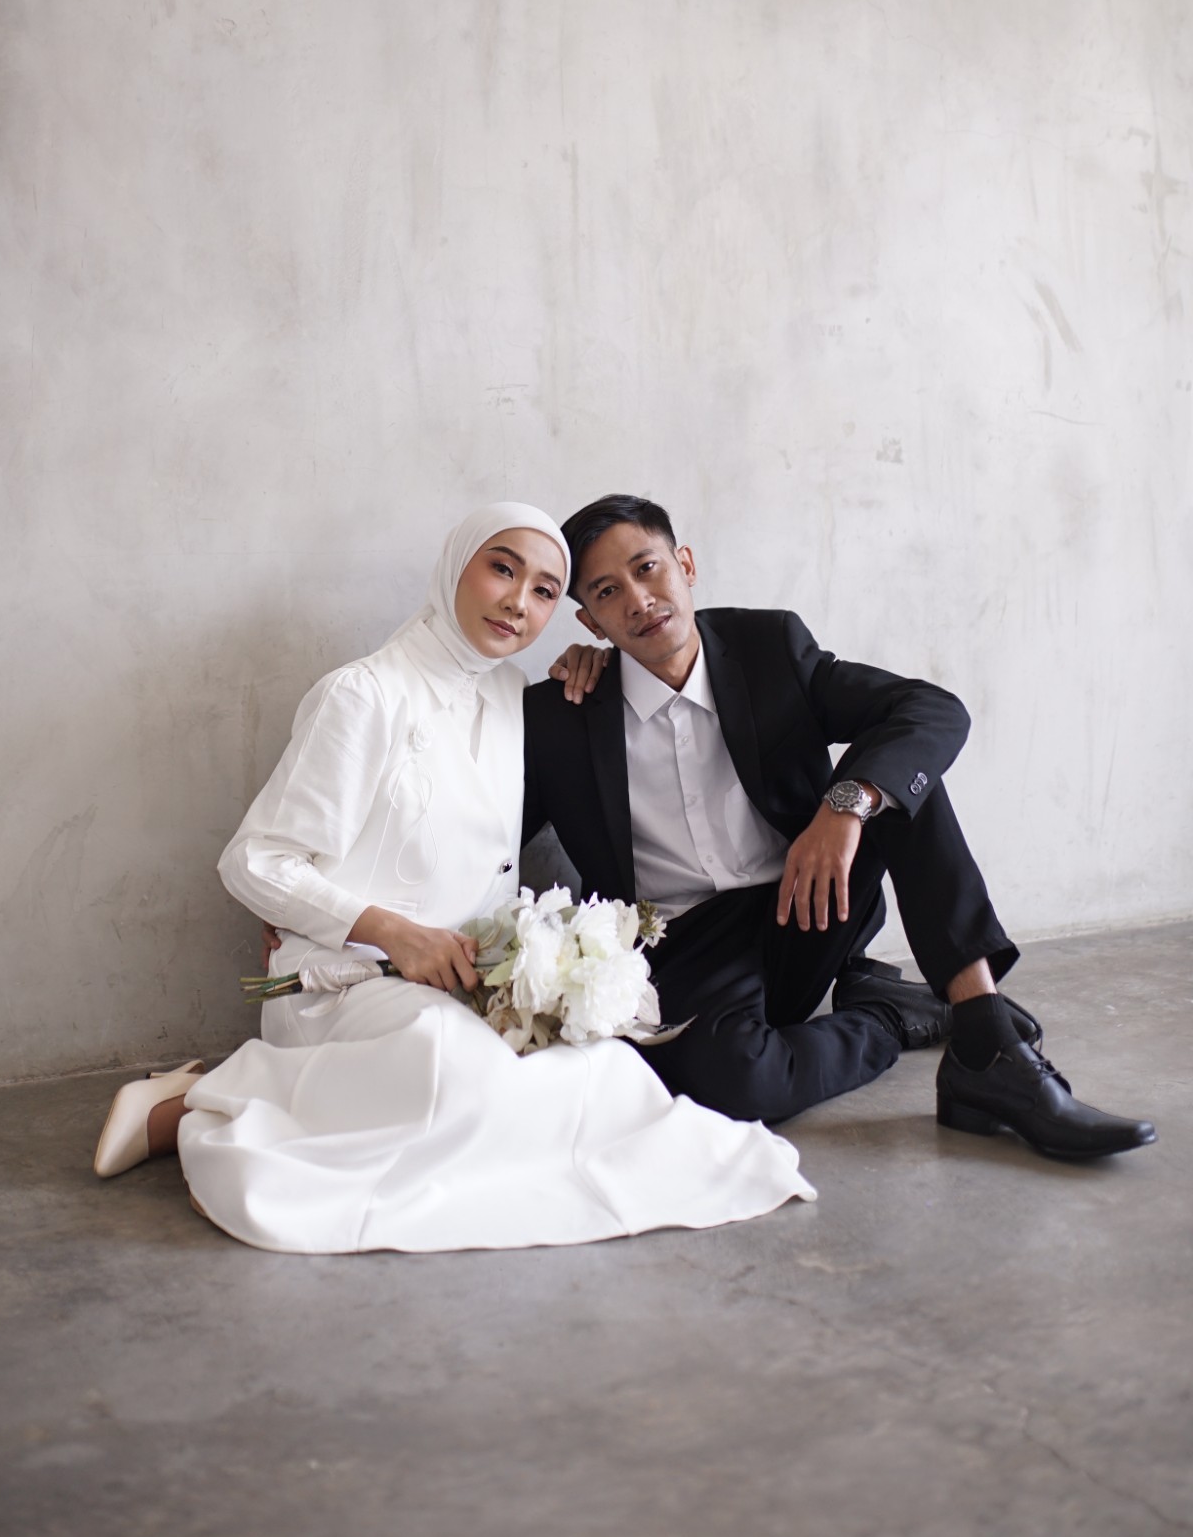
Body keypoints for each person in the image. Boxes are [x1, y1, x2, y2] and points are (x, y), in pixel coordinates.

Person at [92, 502, 815, 1250]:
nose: (518, 602)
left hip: (468, 986)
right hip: (344, 984)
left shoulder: (510, 697)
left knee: (606, 1073)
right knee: (451, 1069)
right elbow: (255, 860)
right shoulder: (363, 694)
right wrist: (386, 931)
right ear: (453, 569)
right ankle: (197, 1100)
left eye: (544, 591)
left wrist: (597, 664)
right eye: (502, 569)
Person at [526, 493, 1156, 1160]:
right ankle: (890, 1016)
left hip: (809, 900)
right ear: (590, 621)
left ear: (685, 565)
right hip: (683, 944)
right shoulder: (561, 716)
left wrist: (845, 804)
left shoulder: (768, 648)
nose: (638, 599)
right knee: (737, 1083)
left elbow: (932, 709)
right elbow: (490, 836)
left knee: (900, 775)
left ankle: (986, 1040)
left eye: (647, 567)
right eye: (607, 591)